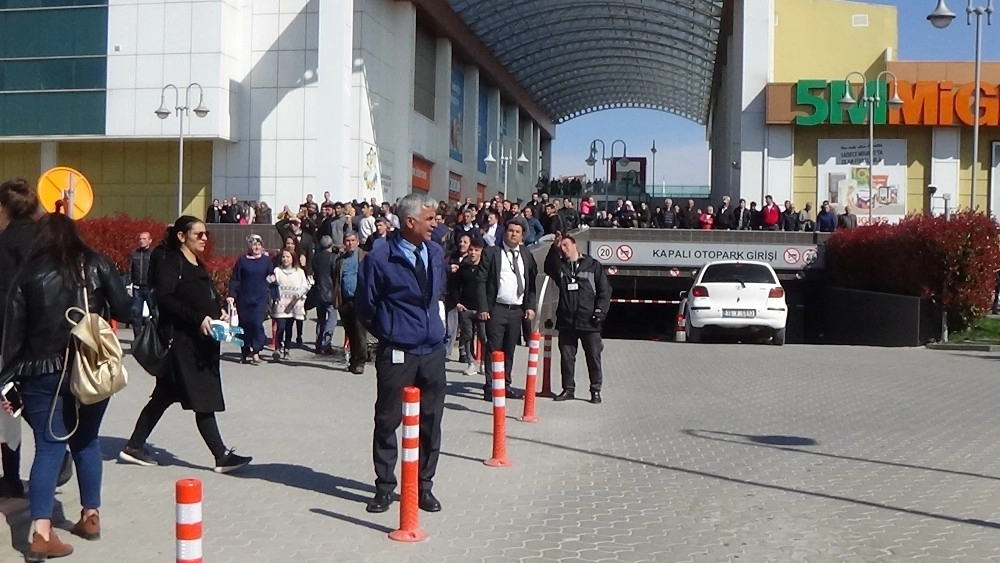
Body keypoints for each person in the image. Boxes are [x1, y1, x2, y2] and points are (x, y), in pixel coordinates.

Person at [0, 213, 131, 561]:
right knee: (86, 440)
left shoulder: (27, 274)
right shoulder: (97, 264)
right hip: (88, 369)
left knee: (48, 446)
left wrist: (5, 384)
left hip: (40, 374)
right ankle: (90, 516)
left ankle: (41, 533)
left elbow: (12, 337)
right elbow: (125, 308)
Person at [119, 216, 252, 473]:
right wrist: (197, 318)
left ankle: (134, 446)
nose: (204, 238)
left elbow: (202, 296)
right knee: (201, 396)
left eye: (206, 234)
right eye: (199, 234)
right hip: (183, 344)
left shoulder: (196, 263)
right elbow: (166, 299)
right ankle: (221, 456)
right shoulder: (172, 262)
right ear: (182, 236)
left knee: (165, 395)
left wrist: (218, 312)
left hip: (201, 344)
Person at [357, 193, 447, 515]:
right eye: (430, 219)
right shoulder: (380, 258)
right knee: (387, 419)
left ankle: (423, 487)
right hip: (398, 352)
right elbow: (365, 306)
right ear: (410, 222)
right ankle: (384, 488)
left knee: (430, 420)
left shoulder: (435, 252)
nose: (435, 224)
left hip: (433, 352)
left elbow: (439, 293)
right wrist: (391, 332)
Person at [544, 233, 612, 405]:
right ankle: (568, 389)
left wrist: (600, 311)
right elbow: (548, 266)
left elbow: (605, 291)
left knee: (593, 357)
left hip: (590, 322)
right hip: (567, 322)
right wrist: (554, 246)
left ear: (575, 245)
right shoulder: (560, 267)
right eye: (561, 247)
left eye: (566, 245)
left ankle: (595, 390)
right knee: (567, 358)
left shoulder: (593, 265)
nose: (564, 249)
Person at [476, 217, 537, 401]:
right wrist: (483, 307)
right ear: (504, 232)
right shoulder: (493, 253)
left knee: (510, 349)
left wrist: (530, 306)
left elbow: (531, 282)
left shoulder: (526, 254)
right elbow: (481, 281)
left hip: (517, 310)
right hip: (496, 309)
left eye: (517, 232)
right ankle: (490, 388)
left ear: (522, 236)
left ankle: (506, 385)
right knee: (494, 349)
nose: (513, 234)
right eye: (510, 230)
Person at [227, 234, 273, 364]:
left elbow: (272, 277)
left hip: (260, 298)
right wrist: (231, 295)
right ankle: (244, 352)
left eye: (259, 244)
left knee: (256, 324)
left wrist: (274, 292)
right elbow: (235, 279)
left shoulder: (266, 261)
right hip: (244, 298)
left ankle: (256, 353)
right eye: (254, 244)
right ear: (249, 246)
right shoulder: (242, 261)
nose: (256, 247)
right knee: (244, 325)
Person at [333, 232, 368, 373]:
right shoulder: (341, 260)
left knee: (360, 332)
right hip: (345, 300)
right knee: (350, 333)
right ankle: (353, 361)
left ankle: (360, 362)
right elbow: (336, 279)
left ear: (358, 241)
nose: (350, 243)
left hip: (360, 299)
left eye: (353, 240)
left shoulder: (365, 257)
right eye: (347, 241)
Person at [270, 249, 311, 360]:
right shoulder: (277, 271)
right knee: (281, 326)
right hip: (280, 304)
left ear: (293, 258)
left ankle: (287, 349)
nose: (285, 259)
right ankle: (278, 348)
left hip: (293, 305)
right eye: (283, 257)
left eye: (288, 257)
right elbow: (271, 283)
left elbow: (305, 286)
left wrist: (298, 294)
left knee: (289, 327)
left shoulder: (299, 272)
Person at [311, 235, 338, 355]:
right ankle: (326, 343)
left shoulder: (316, 258)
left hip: (318, 291)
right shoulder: (333, 258)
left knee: (321, 319)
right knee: (332, 319)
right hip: (329, 292)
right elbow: (335, 275)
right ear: (331, 246)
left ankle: (318, 343)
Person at [129, 231, 156, 339]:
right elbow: (130, 270)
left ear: (150, 240)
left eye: (144, 239)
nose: (142, 241)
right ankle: (138, 340)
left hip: (150, 288)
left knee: (155, 314)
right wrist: (128, 285)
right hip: (137, 289)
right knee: (136, 314)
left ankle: (155, 339)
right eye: (140, 239)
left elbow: (158, 270)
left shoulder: (154, 254)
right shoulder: (134, 254)